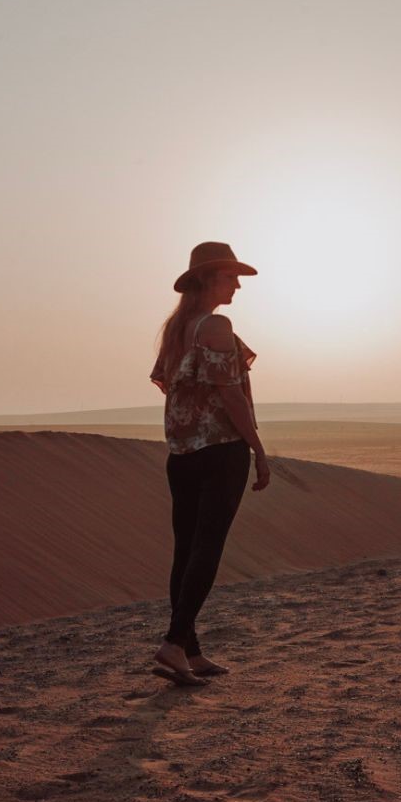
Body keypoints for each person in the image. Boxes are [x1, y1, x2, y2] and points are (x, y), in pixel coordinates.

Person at [149, 242, 270, 686]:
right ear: (206, 279)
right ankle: (174, 643)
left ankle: (191, 651)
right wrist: (258, 447)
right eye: (229, 276)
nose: (238, 284)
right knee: (207, 547)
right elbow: (230, 392)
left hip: (181, 455)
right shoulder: (216, 324)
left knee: (187, 549)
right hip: (221, 451)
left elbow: (172, 386)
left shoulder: (176, 328)